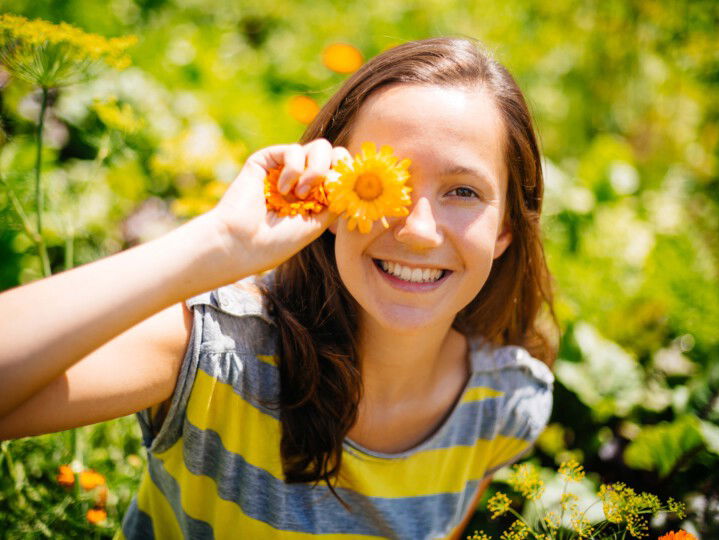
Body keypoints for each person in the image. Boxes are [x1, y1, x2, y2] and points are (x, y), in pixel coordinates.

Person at [0, 37, 556, 539]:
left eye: (462, 191)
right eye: (389, 182)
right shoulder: (217, 358)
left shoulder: (503, 405)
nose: (416, 229)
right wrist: (218, 243)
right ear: (332, 197)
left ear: (506, 226)